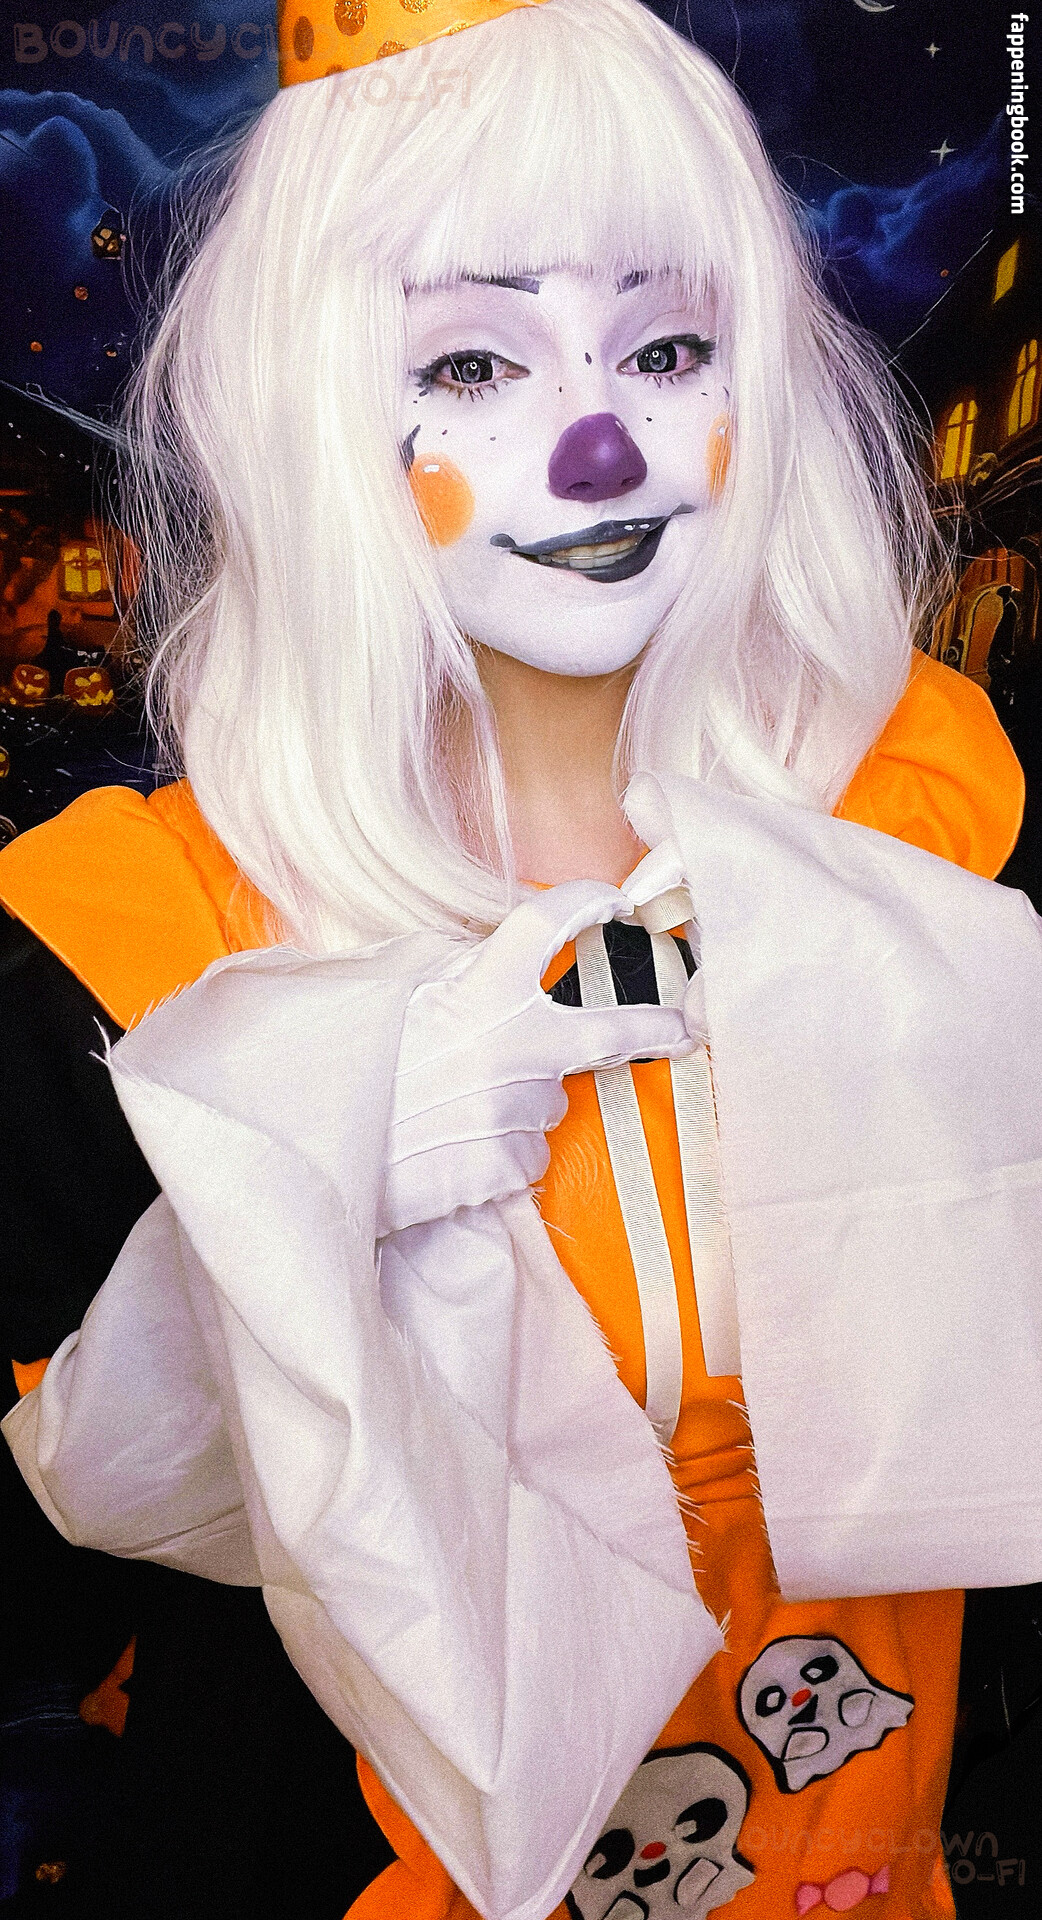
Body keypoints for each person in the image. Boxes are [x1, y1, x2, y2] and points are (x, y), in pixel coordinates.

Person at [2, 2, 1041, 1917]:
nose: (599, 441)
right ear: (312, 410)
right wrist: (282, 1211)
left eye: (666, 348)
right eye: (470, 363)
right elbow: (58, 1572)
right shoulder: (131, 956)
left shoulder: (941, 847)